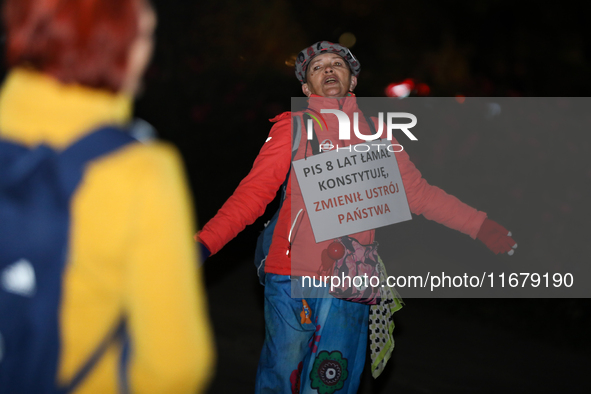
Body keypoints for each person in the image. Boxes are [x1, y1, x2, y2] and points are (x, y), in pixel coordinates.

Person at [198, 41, 516, 393]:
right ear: (306, 88)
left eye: (337, 64)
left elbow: (420, 195)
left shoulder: (379, 138)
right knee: (281, 376)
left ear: (352, 82)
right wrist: (205, 243)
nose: (329, 70)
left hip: (351, 279)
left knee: (331, 380)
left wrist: (481, 226)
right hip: (292, 278)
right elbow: (252, 196)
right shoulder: (294, 129)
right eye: (317, 68)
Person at [0, 0, 214, 392]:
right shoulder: (140, 171)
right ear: (111, 43)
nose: (146, 52)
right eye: (143, 35)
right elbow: (175, 368)